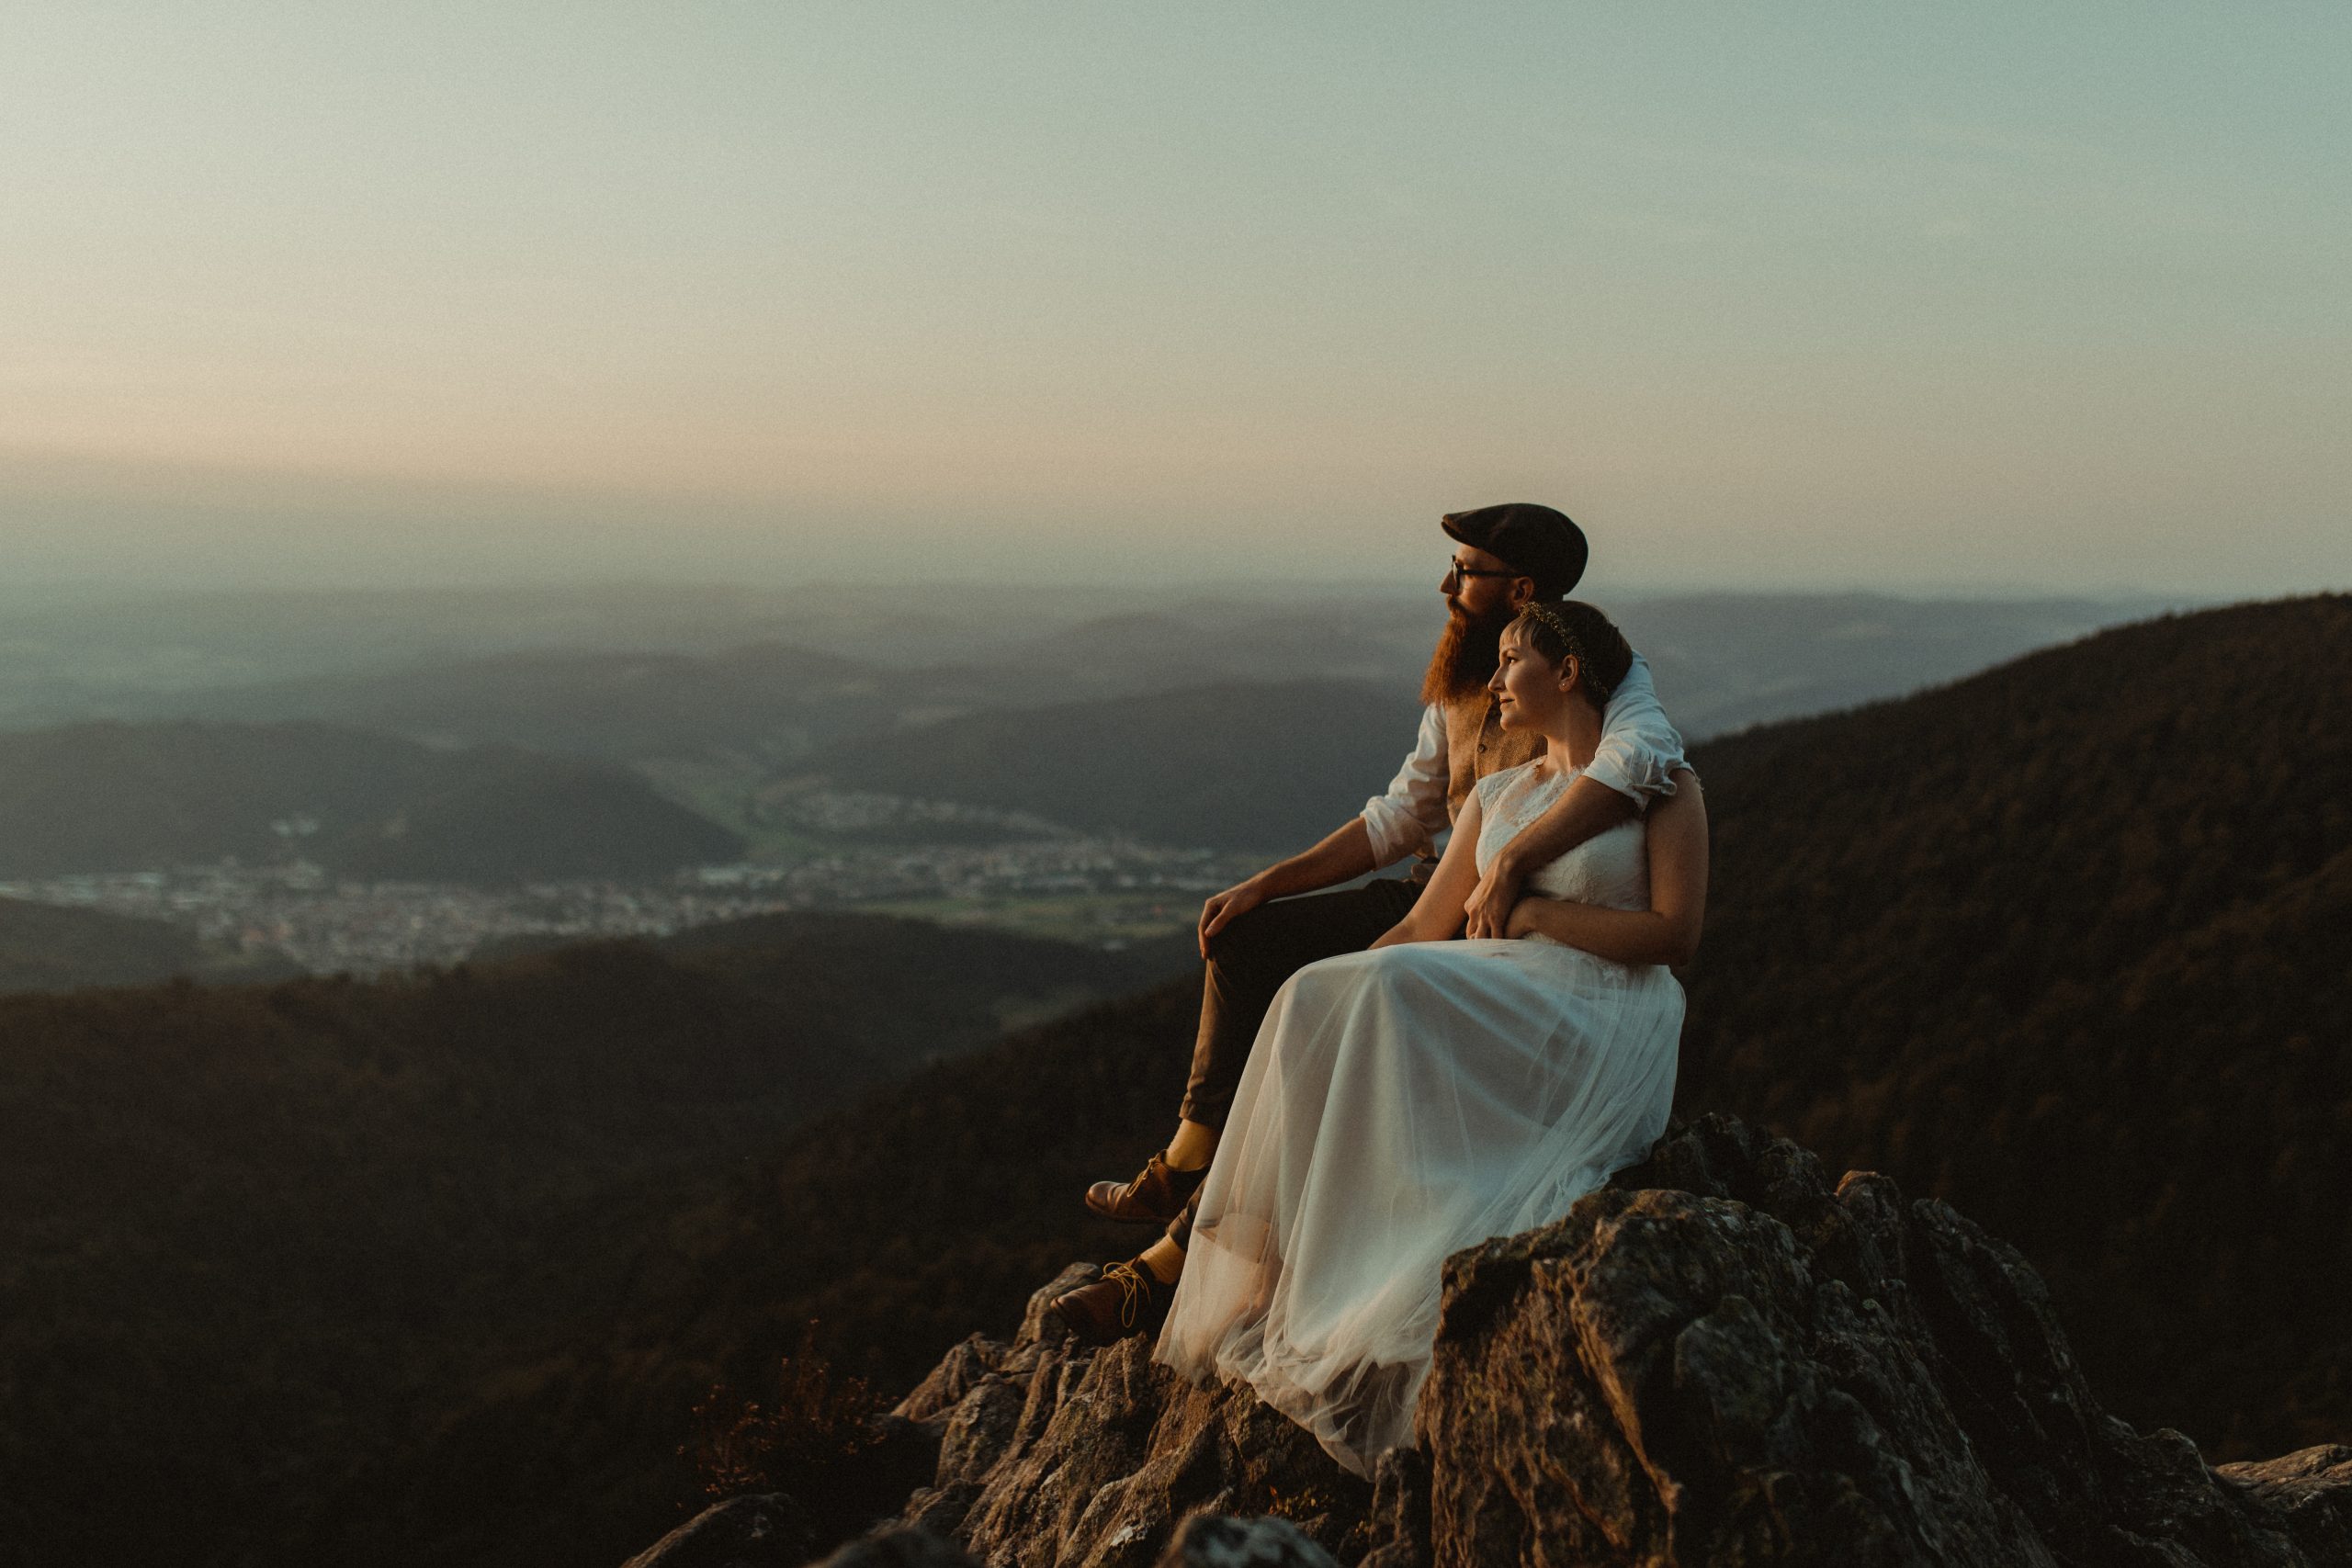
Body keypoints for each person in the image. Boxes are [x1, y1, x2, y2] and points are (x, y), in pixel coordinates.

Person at [1051, 504, 1686, 1338]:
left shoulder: (1609, 674)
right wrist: (1268, 884)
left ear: (1521, 591)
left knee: (1339, 1029)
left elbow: (1643, 763)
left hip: (1504, 932)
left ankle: (1177, 1260)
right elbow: (1401, 816)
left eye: (1464, 571)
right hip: (1438, 893)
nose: (1446, 585)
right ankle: (1191, 1158)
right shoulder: (1464, 685)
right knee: (1255, 952)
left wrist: (1515, 865)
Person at [1157, 599, 1706, 1473]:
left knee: (1383, 994)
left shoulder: (1662, 787)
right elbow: (1422, 926)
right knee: (1313, 995)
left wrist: (1532, 911)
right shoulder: (1499, 794)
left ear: (1567, 671)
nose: (1491, 682)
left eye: (1511, 659)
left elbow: (1675, 939)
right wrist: (1339, 990)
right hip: (1510, 997)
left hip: (1609, 1011)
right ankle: (1288, 1263)